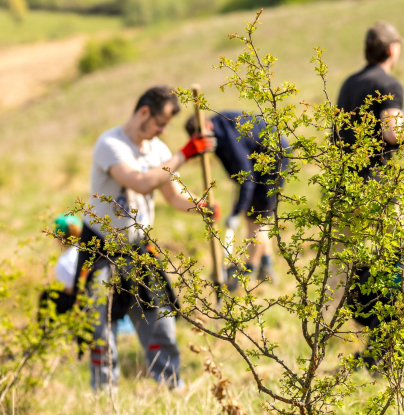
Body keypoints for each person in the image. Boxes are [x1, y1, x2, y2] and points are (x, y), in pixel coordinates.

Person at [81, 86, 218, 389]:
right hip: (100, 247)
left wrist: (201, 206)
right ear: (144, 112)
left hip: (138, 249)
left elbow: (173, 195)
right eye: (161, 122)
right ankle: (104, 398)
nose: (163, 129)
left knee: (160, 321)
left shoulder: (157, 150)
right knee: (100, 327)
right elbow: (141, 183)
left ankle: (171, 386)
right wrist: (185, 153)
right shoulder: (110, 143)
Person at [186, 112, 289, 286]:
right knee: (258, 220)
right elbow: (239, 173)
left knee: (254, 221)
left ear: (207, 127)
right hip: (259, 161)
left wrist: (235, 212)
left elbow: (246, 178)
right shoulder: (218, 129)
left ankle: (248, 273)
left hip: (273, 161)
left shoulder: (228, 137)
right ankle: (267, 269)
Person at [337, 21, 404, 180]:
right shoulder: (389, 85)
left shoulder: (348, 83)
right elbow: (394, 134)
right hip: (375, 189)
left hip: (343, 184)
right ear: (392, 49)